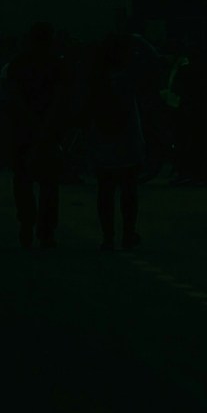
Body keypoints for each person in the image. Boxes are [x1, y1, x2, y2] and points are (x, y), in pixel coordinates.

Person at [2, 22, 72, 252]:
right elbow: (61, 99)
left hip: (22, 131)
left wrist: (29, 122)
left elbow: (12, 98)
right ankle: (46, 230)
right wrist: (47, 126)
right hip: (49, 133)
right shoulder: (57, 65)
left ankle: (27, 223)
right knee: (49, 183)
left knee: (23, 180)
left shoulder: (17, 65)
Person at [81, 35, 145, 253]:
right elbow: (154, 62)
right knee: (128, 189)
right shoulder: (129, 76)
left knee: (105, 189)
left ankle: (108, 236)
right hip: (127, 138)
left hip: (102, 137)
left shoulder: (95, 78)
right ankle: (128, 233)